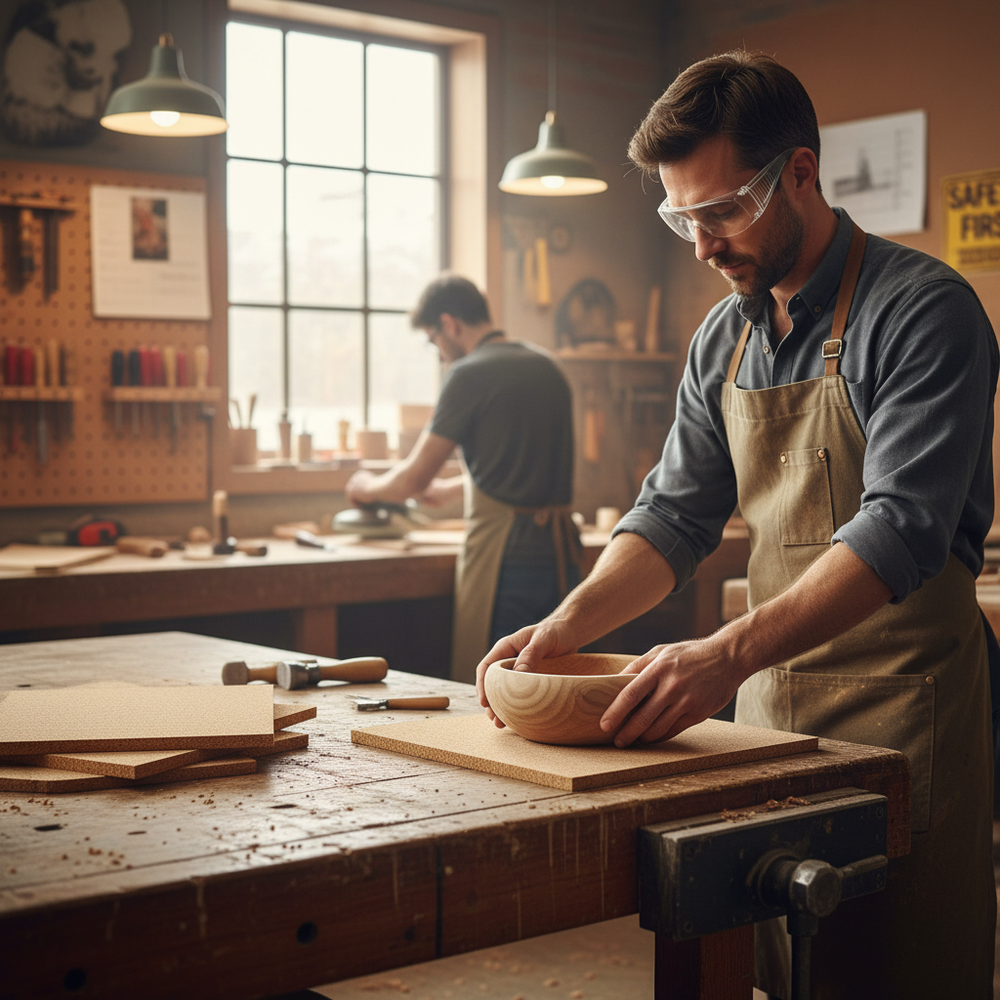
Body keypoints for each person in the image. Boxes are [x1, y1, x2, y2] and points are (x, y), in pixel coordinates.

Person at [475, 51, 998, 1000]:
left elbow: (900, 530)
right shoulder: (727, 336)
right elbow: (673, 516)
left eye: (721, 211)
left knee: (894, 972)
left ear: (799, 172)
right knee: (766, 973)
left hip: (902, 721)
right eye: (684, 218)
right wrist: (566, 628)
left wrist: (721, 655)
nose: (704, 244)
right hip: (765, 719)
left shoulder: (925, 312)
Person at [346, 274, 581, 683]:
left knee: (501, 683)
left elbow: (412, 480)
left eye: (433, 339)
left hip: (507, 559)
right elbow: (525, 467)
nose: (438, 353)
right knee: (553, 682)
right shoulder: (546, 366)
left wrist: (365, 487)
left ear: (449, 324)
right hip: (561, 552)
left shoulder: (469, 373)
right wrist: (455, 490)